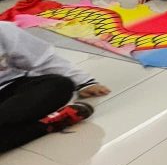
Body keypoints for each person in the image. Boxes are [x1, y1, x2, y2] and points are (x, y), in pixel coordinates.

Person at [0, 22, 110, 154]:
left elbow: (43, 58)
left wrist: (84, 82)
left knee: (59, 84)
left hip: (12, 89)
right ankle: (45, 125)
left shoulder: (3, 29)